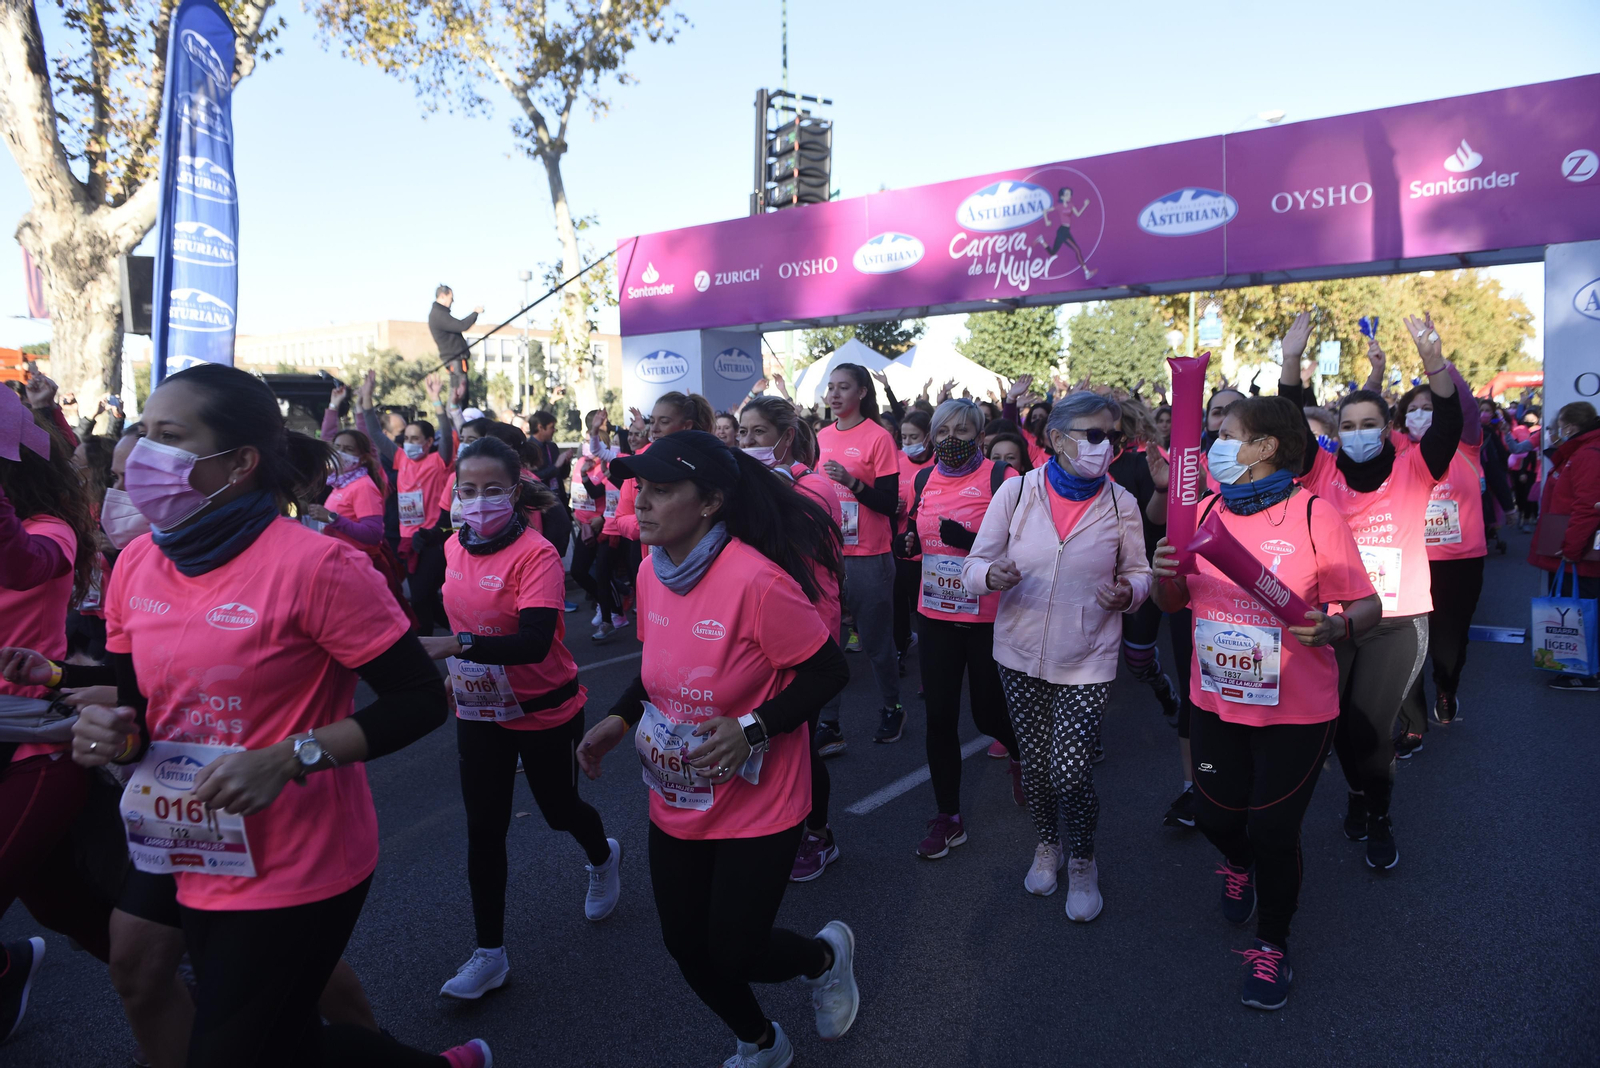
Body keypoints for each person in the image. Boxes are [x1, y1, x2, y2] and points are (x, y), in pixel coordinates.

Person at [65, 363, 488, 1067]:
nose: (141, 455)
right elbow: (141, 712)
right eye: (142, 432)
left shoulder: (318, 567)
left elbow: (419, 701)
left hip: (294, 852)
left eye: (169, 437)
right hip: (180, 825)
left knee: (250, 1045)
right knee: (141, 975)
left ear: (238, 463)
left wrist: (292, 756)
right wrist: (112, 734)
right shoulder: (136, 564)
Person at [574, 430, 858, 1068]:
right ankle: (761, 1041)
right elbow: (659, 671)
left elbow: (827, 672)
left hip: (760, 800)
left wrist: (752, 727)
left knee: (735, 949)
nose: (641, 502)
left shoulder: (757, 582)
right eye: (639, 487)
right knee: (684, 943)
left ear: (709, 503)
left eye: (662, 490)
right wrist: (618, 721)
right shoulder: (651, 572)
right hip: (679, 791)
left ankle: (822, 957)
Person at [1151, 395, 1381, 1011]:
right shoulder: (1199, 509)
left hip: (1297, 709)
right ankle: (1237, 861)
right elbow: (1173, 600)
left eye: (1227, 435)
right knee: (1220, 819)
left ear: (1265, 447)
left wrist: (1338, 629)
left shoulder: (1315, 516)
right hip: (1215, 699)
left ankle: (1273, 945)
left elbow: (1368, 605)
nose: (1214, 446)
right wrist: (1161, 572)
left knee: (1274, 829)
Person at [420, 435, 622, 999]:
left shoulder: (535, 554)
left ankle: (602, 856)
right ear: (455, 493)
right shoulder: (454, 547)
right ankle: (490, 954)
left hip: (545, 707)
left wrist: (455, 646)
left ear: (515, 491)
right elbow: (463, 625)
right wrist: (454, 672)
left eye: (492, 490)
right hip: (479, 709)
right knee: (484, 829)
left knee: (558, 810)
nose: (478, 501)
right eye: (468, 490)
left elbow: (534, 643)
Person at [962, 392, 1152, 921]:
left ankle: (1084, 859)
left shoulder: (1122, 504)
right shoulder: (1017, 492)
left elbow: (1140, 573)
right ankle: (1049, 844)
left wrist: (1129, 593)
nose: (1103, 447)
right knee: (1039, 769)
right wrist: (989, 576)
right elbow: (973, 564)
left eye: (1111, 436)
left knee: (1070, 772)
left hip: (1088, 657)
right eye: (1092, 435)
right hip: (1018, 654)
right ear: (1055, 438)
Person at [1283, 312, 1462, 870]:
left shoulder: (1415, 467)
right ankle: (1359, 795)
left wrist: (1434, 360)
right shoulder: (1323, 472)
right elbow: (1291, 417)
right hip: (1336, 619)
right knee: (1337, 719)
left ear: (1387, 429)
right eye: (1349, 424)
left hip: (1397, 619)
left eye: (1369, 423)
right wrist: (1292, 358)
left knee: (1371, 723)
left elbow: (1450, 420)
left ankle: (1379, 808)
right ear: (1339, 431)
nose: (1358, 432)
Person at [0, 395, 106, 1043]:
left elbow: (23, 565)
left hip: (36, 747)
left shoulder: (51, 529)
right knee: (61, 903)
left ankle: (205, 985)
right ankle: (170, 982)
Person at [899, 400, 1024, 860]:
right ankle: (948, 815)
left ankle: (1019, 755)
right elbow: (921, 536)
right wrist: (908, 543)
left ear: (981, 436)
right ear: (932, 436)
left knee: (989, 715)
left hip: (988, 618)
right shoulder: (921, 479)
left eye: (964, 430)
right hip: (935, 615)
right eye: (944, 430)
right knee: (940, 717)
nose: (953, 438)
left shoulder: (1002, 479)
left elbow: (1024, 548)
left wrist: (970, 543)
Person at [737, 398, 847, 882]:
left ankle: (819, 834)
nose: (747, 443)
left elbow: (787, 542)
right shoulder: (746, 485)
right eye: (742, 434)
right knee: (770, 736)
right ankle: (773, 826)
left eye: (758, 433)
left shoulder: (818, 487)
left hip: (810, 627)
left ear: (786, 436)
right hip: (757, 628)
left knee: (799, 738)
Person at [1391, 364, 1488, 747]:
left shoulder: (1467, 444)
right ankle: (1411, 724)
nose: (1420, 413)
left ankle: (1447, 687)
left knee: (1449, 646)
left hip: (1460, 563)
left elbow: (1466, 407)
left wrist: (1440, 363)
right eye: (1413, 408)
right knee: (1404, 645)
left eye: (1429, 406)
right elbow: (1365, 419)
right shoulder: (1400, 449)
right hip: (1409, 560)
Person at [817, 364, 903, 748]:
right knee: (825, 642)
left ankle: (892, 708)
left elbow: (888, 504)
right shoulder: (820, 436)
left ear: (862, 393)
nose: (834, 395)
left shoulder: (879, 438)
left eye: (843, 388)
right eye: (831, 388)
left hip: (869, 555)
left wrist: (852, 482)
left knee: (876, 641)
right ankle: (829, 723)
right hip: (827, 553)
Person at [1529, 401, 1600, 691]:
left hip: (1579, 553)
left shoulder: (1587, 455)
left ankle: (1584, 672)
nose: (1554, 433)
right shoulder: (1581, 452)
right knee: (1580, 608)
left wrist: (1571, 548)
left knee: (1582, 608)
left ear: (1569, 426)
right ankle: (1579, 667)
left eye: (1558, 427)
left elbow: (1588, 507)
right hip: (1574, 549)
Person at [396, 417, 450, 634]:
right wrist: (364, 407)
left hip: (431, 538)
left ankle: (426, 641)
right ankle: (463, 636)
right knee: (425, 598)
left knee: (420, 597)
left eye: (415, 438)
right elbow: (376, 438)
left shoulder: (439, 461)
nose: (409, 443)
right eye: (406, 438)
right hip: (407, 540)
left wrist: (441, 406)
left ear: (428, 442)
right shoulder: (400, 459)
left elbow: (446, 436)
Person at [891, 410, 933, 673]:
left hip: (929, 552)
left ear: (928, 437)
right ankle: (900, 649)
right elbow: (881, 496)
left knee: (925, 613)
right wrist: (891, 506)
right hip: (898, 546)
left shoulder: (941, 462)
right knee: (898, 605)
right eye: (904, 437)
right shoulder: (895, 460)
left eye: (913, 437)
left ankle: (930, 666)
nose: (908, 442)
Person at [428, 285, 483, 409]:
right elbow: (461, 325)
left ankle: (456, 419)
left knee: (460, 393)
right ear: (442, 296)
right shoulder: (438, 315)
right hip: (455, 360)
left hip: (456, 359)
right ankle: (455, 422)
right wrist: (475, 313)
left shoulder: (439, 314)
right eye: (450, 298)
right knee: (459, 393)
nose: (452, 301)